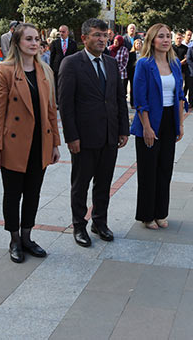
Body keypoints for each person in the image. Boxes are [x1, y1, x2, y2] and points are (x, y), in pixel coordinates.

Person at [0, 23, 61, 263]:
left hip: (40, 143)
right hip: (14, 145)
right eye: (28, 39)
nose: (34, 43)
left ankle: (27, 237)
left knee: (33, 193)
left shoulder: (45, 71)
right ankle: (14, 239)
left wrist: (55, 144)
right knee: (12, 195)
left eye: (37, 39)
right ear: (17, 43)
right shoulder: (6, 70)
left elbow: (51, 111)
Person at [59, 18, 130, 248]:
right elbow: (66, 105)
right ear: (84, 38)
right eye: (96, 35)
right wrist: (71, 137)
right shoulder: (71, 63)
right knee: (80, 185)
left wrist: (123, 129)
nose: (102, 39)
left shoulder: (111, 63)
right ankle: (79, 225)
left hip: (109, 136)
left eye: (104, 35)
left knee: (104, 183)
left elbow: (119, 98)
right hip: (84, 138)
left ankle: (99, 222)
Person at [131, 24, 187, 229]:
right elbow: (140, 99)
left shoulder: (175, 63)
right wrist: (146, 127)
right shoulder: (144, 64)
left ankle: (161, 212)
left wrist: (180, 124)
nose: (166, 40)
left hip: (169, 120)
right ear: (152, 40)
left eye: (168, 36)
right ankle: (147, 215)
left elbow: (179, 95)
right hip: (150, 121)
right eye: (161, 36)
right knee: (148, 171)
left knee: (165, 168)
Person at [127, 38, 143, 108]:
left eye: (140, 44)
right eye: (137, 44)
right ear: (134, 45)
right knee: (133, 88)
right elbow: (128, 65)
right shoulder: (131, 54)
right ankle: (132, 103)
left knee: (141, 88)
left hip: (142, 74)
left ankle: (140, 102)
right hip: (133, 73)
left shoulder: (144, 54)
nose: (138, 45)